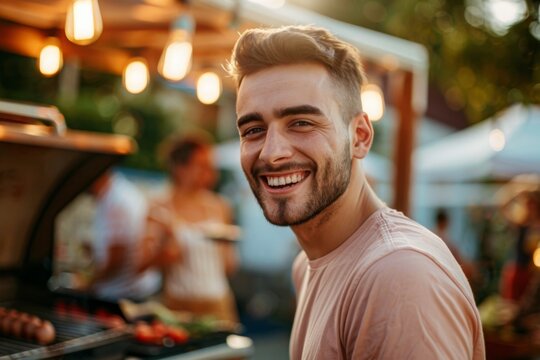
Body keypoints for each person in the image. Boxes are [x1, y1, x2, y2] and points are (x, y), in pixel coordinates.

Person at [227, 25, 485, 359]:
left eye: (301, 122)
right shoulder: (307, 265)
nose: (272, 152)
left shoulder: (398, 275)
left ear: (360, 136)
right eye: (254, 130)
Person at [139, 133, 240, 323]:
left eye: (210, 167)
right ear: (180, 168)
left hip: (218, 303)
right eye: (201, 166)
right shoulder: (159, 207)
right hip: (178, 305)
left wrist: (229, 249)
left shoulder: (220, 206)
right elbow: (142, 263)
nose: (210, 173)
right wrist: (167, 246)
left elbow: (228, 266)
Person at [86, 170, 161, 301]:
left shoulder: (115, 201)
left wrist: (87, 285)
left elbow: (116, 258)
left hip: (122, 294)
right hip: (134, 291)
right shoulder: (121, 192)